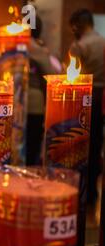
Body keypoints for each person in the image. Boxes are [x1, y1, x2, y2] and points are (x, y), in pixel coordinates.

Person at [69, 8, 105, 205]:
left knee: (78, 144)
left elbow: (71, 76)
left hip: (82, 97)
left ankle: (76, 190)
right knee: (96, 143)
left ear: (79, 25)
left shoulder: (79, 45)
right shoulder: (103, 42)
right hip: (101, 97)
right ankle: (92, 193)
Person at [27, 15, 61, 165]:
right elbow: (51, 76)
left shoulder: (11, 47)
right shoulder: (38, 50)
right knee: (32, 146)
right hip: (34, 105)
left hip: (11, 102)